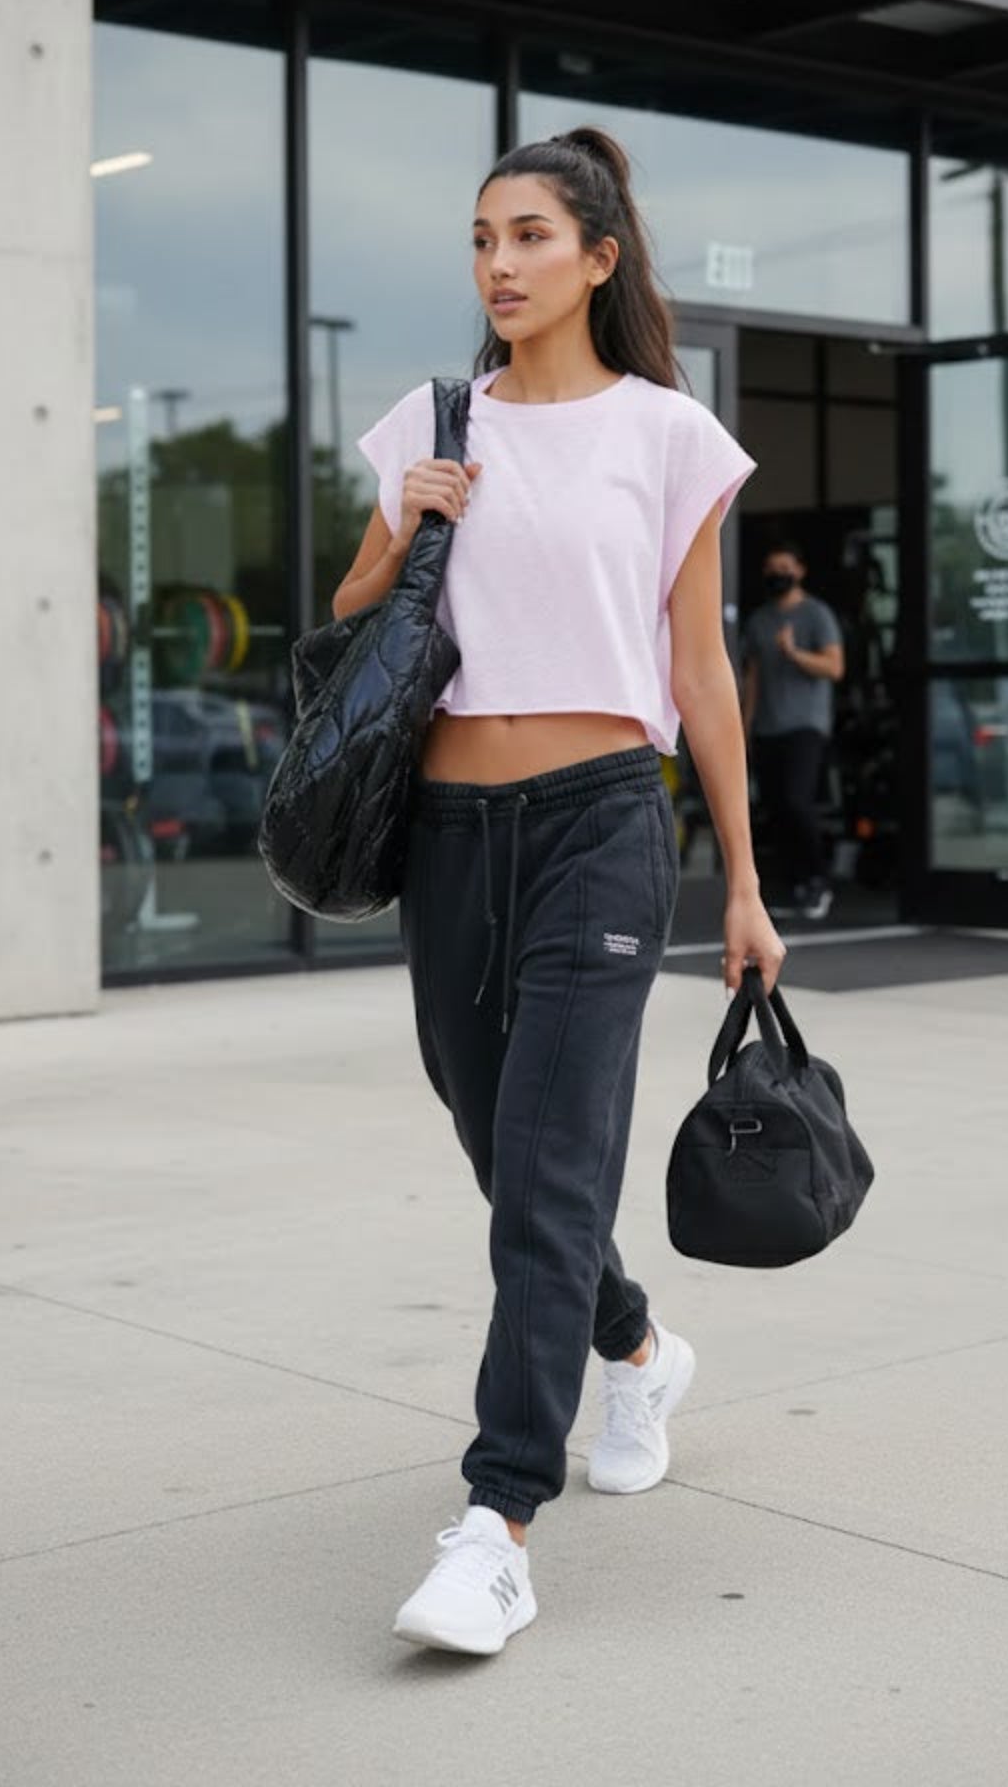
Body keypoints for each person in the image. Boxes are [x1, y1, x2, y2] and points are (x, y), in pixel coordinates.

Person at [334, 127, 784, 1657]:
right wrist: (412, 511)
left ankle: (496, 1521)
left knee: (543, 1166)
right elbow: (347, 615)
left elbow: (700, 671)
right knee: (493, 1134)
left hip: (602, 819)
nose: (499, 265)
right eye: (479, 240)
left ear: (597, 258)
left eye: (529, 236)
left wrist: (741, 881)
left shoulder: (667, 434)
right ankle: (635, 1347)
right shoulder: (437, 416)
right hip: (450, 832)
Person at [740, 543, 845, 920]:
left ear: (800, 570)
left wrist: (794, 653)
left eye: (783, 567)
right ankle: (797, 884)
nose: (776, 574)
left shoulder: (816, 615)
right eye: (770, 567)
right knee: (776, 808)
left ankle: (820, 879)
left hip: (806, 726)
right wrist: (745, 727)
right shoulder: (758, 621)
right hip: (768, 727)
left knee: (798, 801)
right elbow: (752, 679)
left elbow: (835, 668)